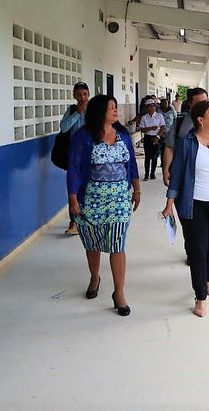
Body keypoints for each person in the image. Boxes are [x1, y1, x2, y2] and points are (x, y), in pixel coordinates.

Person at [162, 101, 209, 318]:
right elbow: (177, 174)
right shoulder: (187, 143)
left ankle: (208, 280)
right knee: (197, 249)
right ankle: (200, 297)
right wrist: (169, 204)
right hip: (193, 204)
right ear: (200, 120)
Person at [67, 95, 140, 316]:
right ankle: (95, 277)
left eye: (115, 107)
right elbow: (74, 169)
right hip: (91, 199)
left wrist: (136, 189)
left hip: (119, 199)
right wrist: (72, 198)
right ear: (99, 111)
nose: (115, 110)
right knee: (92, 243)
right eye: (111, 108)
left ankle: (119, 293)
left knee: (118, 244)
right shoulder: (83, 137)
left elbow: (131, 164)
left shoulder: (123, 135)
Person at [162, 87, 209, 186]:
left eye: (206, 102)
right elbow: (169, 147)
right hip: (184, 175)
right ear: (190, 104)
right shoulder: (180, 123)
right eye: (199, 103)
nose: (204, 106)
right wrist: (166, 170)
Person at [59, 82, 90, 235]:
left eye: (84, 94)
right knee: (73, 188)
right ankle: (74, 221)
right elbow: (64, 127)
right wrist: (77, 113)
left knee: (90, 186)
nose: (82, 98)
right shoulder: (71, 110)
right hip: (74, 155)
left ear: (89, 94)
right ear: (74, 96)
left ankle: (88, 217)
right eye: (79, 95)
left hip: (91, 155)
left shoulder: (94, 110)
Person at [139, 98, 165, 180]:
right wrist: (150, 128)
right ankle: (146, 174)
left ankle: (152, 174)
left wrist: (157, 137)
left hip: (156, 137)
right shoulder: (144, 117)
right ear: (147, 107)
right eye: (150, 106)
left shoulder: (159, 116)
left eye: (153, 106)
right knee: (147, 156)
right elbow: (142, 129)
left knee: (155, 156)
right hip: (147, 137)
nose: (152, 107)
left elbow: (162, 127)